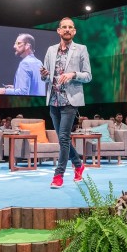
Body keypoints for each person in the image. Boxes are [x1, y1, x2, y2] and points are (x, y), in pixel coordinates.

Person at [40, 17, 92, 188]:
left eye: (70, 27)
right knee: (64, 140)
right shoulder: (51, 50)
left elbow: (88, 76)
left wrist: (73, 74)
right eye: (64, 27)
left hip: (70, 100)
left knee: (63, 138)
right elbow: (46, 78)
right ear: (59, 31)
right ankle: (78, 165)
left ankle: (58, 175)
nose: (67, 29)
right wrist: (44, 75)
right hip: (53, 99)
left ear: (74, 31)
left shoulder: (81, 49)